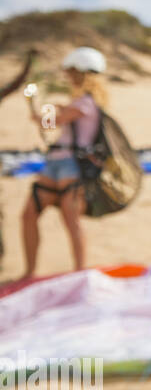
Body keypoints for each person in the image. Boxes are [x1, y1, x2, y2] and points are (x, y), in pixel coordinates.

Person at [20, 47, 107, 278]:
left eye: (71, 72)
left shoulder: (86, 103)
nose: (68, 76)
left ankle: (79, 272)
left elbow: (50, 123)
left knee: (71, 219)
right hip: (54, 164)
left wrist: (36, 109)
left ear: (81, 73)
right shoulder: (77, 103)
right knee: (29, 215)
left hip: (72, 167)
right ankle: (29, 272)